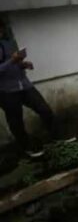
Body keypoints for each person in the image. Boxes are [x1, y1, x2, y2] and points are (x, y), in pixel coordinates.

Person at [0, 19, 67, 157]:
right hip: (6, 91)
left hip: (24, 85)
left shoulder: (8, 43)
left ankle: (57, 139)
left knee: (45, 109)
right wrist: (12, 61)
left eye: (1, 29)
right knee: (16, 121)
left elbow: (15, 63)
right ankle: (27, 148)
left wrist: (23, 64)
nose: (1, 32)